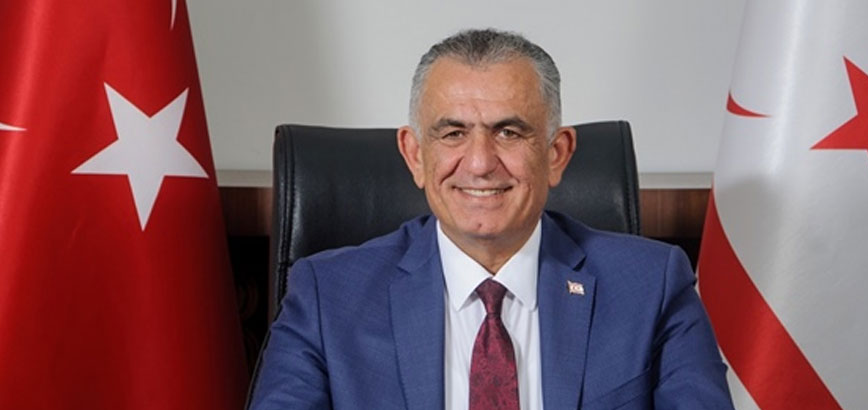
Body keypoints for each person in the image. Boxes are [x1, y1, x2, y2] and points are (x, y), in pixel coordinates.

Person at [248, 28, 734, 410]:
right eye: (453, 133)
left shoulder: (651, 287)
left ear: (557, 154)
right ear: (415, 155)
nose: (480, 163)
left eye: (509, 132)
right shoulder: (327, 297)